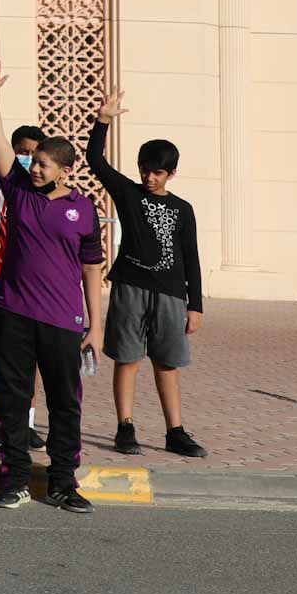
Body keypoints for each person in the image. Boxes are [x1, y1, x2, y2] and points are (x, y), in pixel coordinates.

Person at [0, 42, 105, 513]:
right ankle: (11, 478)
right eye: (32, 163)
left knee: (65, 404)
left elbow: (92, 269)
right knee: (13, 400)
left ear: (65, 170)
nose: (34, 169)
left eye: (43, 165)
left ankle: (62, 482)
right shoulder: (20, 191)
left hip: (63, 322)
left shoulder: (83, 209)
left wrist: (96, 325)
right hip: (13, 313)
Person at [90, 87, 207, 459]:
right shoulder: (128, 193)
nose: (149, 177)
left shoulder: (183, 209)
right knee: (127, 358)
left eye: (157, 171)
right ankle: (125, 427)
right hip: (131, 286)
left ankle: (175, 431)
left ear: (171, 173)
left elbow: (191, 256)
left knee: (167, 363)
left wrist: (195, 304)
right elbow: (96, 161)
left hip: (172, 294)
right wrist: (103, 121)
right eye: (145, 169)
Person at [0, 86, 47, 451]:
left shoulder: (41, 193)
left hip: (27, 286)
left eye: (33, 154)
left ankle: (27, 420)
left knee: (28, 355)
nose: (26, 159)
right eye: (21, 152)